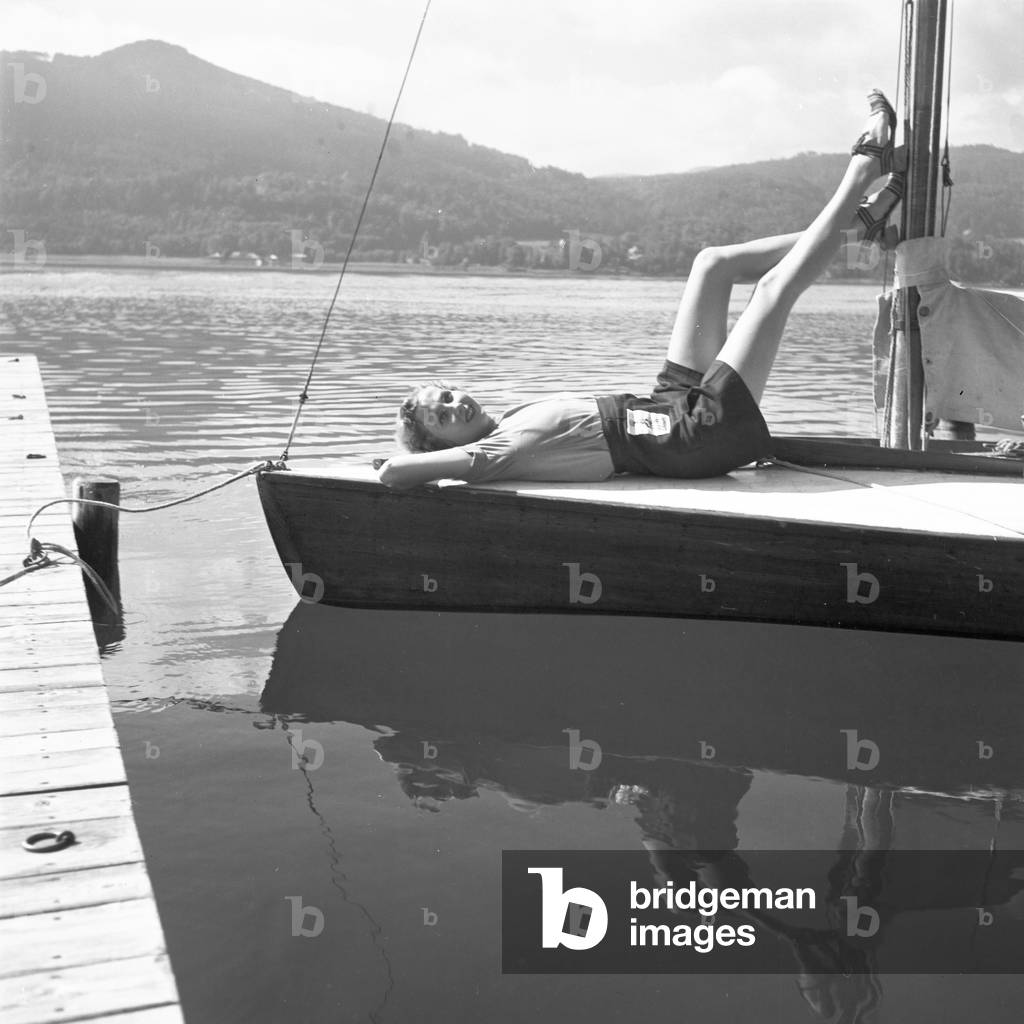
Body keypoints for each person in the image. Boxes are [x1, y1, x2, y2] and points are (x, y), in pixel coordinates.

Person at [379, 91, 904, 490]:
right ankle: (865, 166)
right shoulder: (493, 455)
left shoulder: (510, 419)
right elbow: (394, 476)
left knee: (711, 264)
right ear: (438, 445)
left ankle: (859, 227)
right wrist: (406, 462)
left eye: (445, 395)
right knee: (770, 292)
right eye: (441, 419)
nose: (455, 406)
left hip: (664, 407)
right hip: (698, 435)